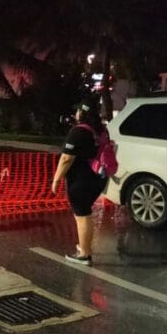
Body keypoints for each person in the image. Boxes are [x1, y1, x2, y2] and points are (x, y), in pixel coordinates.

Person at [51, 99, 109, 266]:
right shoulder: (101, 130)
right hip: (98, 177)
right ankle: (84, 247)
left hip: (81, 180)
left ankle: (84, 254)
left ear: (82, 113)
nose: (75, 113)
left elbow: (66, 158)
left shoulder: (78, 131)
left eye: (78, 111)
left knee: (82, 215)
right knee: (84, 213)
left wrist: (56, 179)